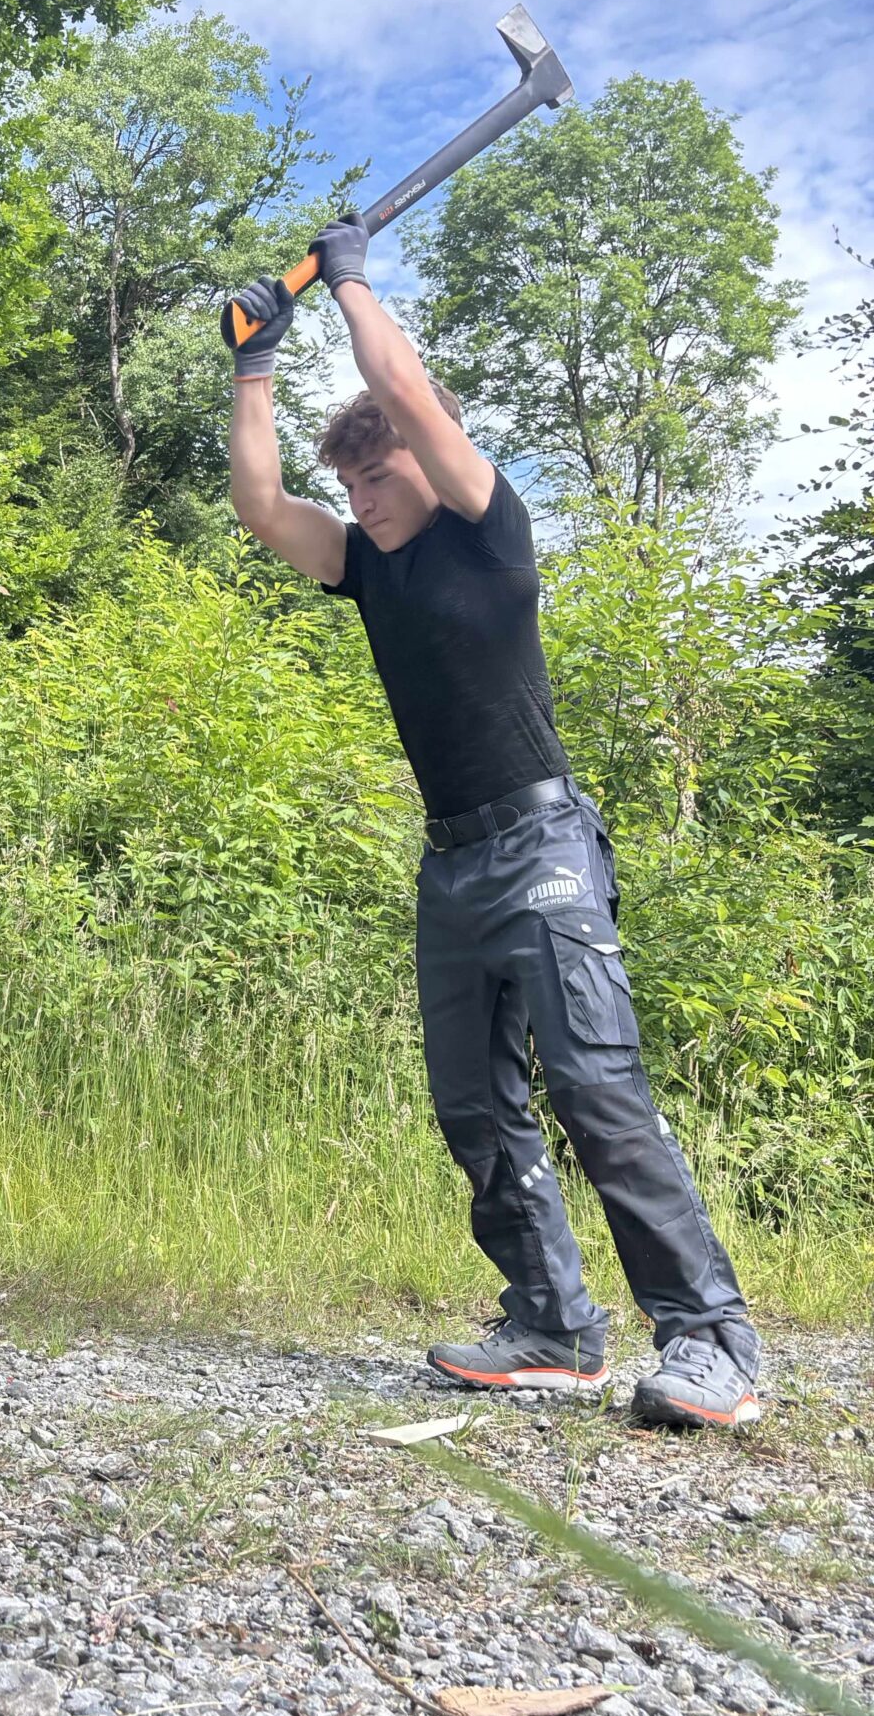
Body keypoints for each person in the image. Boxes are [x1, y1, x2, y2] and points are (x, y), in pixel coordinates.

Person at [223, 214, 763, 1428]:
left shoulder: (489, 531)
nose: (362, 496)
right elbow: (261, 503)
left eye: (378, 474)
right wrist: (254, 363)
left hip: (545, 846)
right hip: (454, 866)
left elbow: (405, 390)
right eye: (351, 484)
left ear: (430, 461)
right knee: (474, 1104)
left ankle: (713, 1342)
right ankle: (554, 1326)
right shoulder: (368, 565)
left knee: (596, 1087)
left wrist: (348, 282)